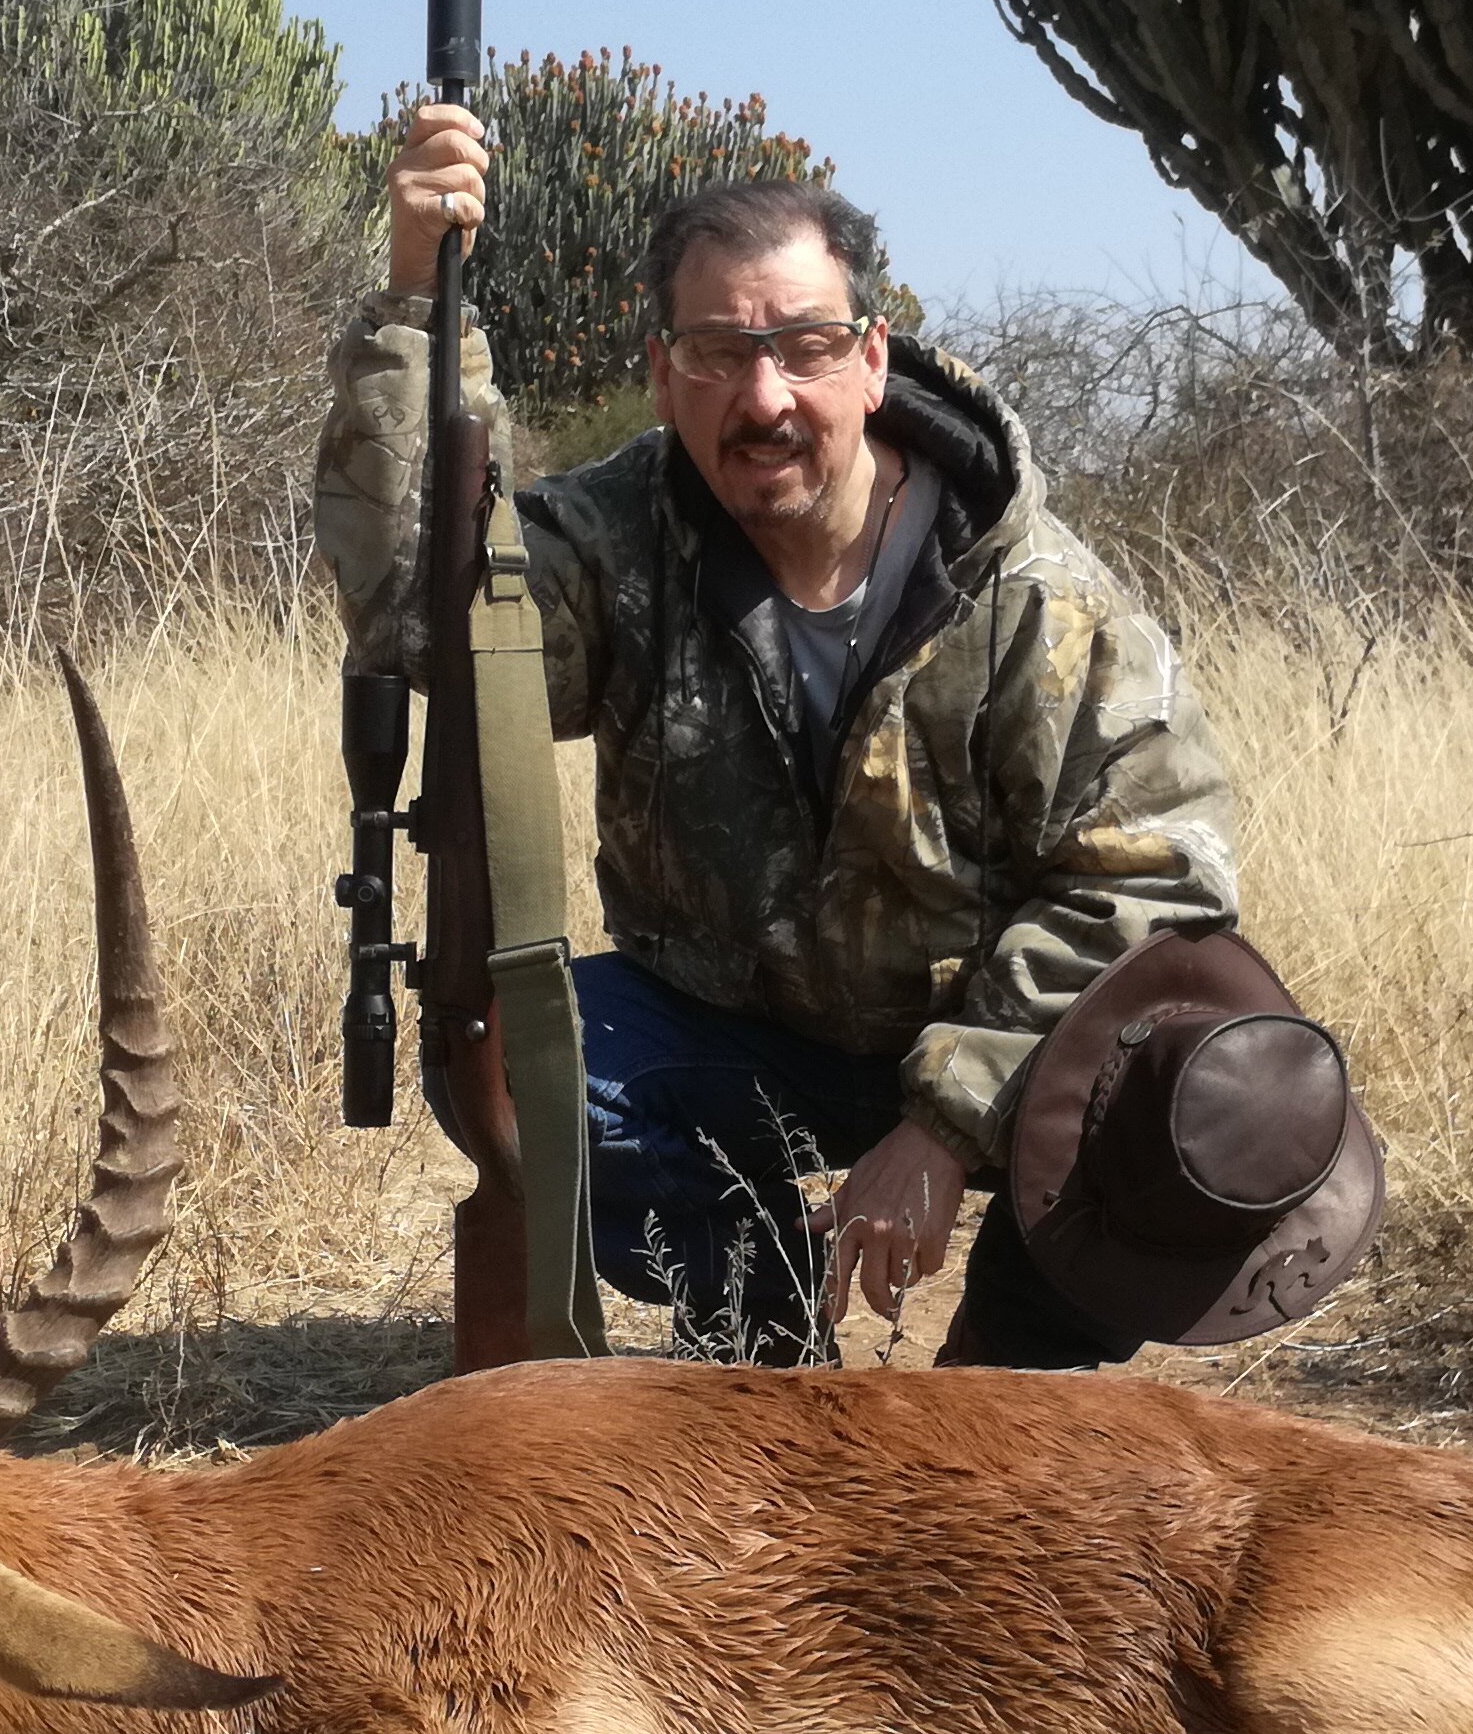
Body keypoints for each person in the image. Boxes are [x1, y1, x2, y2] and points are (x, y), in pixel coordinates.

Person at [315, 103, 1240, 1366]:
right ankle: (768, 1335)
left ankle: (1011, 1395)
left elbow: (1157, 886)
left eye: (802, 347)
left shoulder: (1036, 597)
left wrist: (943, 1125)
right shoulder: (615, 539)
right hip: (729, 1031)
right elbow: (420, 613)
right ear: (661, 371)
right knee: (519, 1062)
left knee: (1173, 1079)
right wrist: (423, 302)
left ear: (871, 358)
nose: (763, 398)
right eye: (716, 351)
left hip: (992, 1035)